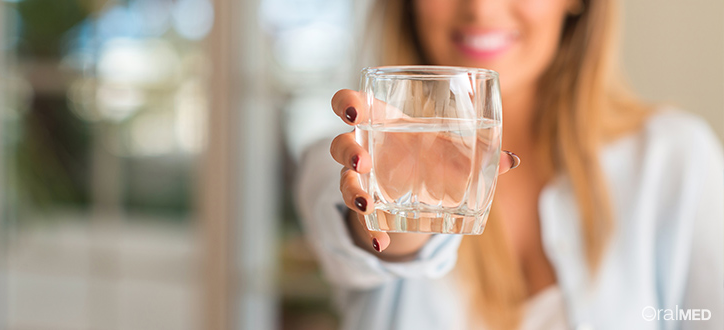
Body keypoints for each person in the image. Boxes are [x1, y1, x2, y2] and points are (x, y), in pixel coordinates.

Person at [295, 0, 724, 329]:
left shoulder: (675, 159)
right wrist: (396, 204)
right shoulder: (346, 154)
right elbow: (354, 240)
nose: (481, 8)